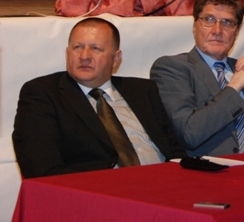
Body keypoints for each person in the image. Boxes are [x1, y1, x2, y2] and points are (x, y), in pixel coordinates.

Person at [12, 18, 186, 179]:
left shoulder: (142, 90)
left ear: (116, 58)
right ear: (67, 53)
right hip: (99, 192)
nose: (84, 56)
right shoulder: (43, 94)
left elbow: (175, 152)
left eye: (96, 49)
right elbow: (42, 171)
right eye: (78, 47)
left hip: (165, 184)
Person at [150, 0, 244, 157]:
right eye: (209, 20)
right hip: (220, 167)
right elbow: (189, 134)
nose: (217, 30)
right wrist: (235, 86)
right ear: (195, 26)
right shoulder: (172, 68)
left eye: (227, 22)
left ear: (237, 32)